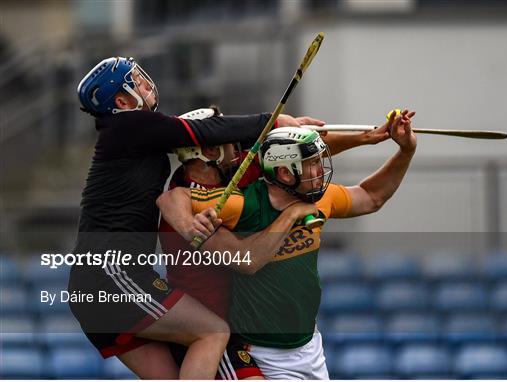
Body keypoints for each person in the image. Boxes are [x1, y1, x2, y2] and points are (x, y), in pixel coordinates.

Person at [68, 56, 322, 379]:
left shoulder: (132, 135)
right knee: (213, 332)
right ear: (121, 101)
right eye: (136, 83)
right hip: (111, 274)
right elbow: (204, 131)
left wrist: (287, 134)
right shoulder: (128, 126)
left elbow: (216, 138)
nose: (147, 84)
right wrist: (270, 122)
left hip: (98, 283)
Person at [165, 109, 416, 379]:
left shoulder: (318, 196)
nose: (321, 171)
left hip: (310, 347)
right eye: (312, 164)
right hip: (259, 351)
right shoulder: (241, 203)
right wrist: (291, 214)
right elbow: (173, 198)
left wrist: (404, 152)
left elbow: (371, 196)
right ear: (284, 173)